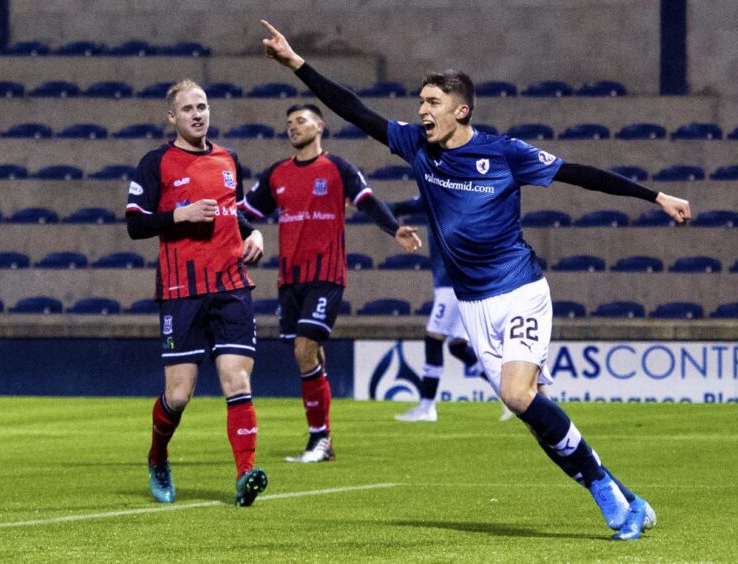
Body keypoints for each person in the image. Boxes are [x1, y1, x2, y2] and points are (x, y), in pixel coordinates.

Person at [260, 20, 693, 540]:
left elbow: (579, 172)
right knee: (534, 415)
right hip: (473, 305)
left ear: (460, 110)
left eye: (433, 102)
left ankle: (606, 496)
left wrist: (655, 197)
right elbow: (355, 110)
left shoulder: (505, 153)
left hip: (521, 290)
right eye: (420, 102)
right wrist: (297, 64)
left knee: (517, 395)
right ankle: (624, 494)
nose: (422, 111)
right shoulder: (417, 148)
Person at [242, 103, 421, 463]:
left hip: (326, 274)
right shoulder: (277, 175)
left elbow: (367, 202)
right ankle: (324, 441)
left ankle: (318, 438)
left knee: (304, 350)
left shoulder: (338, 169)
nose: (293, 127)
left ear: (320, 125)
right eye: (289, 122)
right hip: (289, 278)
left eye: (301, 121)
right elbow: (241, 213)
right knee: (309, 355)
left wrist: (394, 228)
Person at [126, 79, 268, 507]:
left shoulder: (229, 159)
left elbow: (232, 213)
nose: (197, 114)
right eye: (187, 109)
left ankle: (245, 473)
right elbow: (135, 224)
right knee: (179, 395)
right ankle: (157, 457)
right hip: (181, 290)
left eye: (202, 106)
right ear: (172, 117)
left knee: (237, 380)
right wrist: (179, 214)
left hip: (231, 286)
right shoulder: (156, 163)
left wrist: (254, 233)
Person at [388, 195, 514, 423]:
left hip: (453, 283)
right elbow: (400, 206)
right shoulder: (437, 193)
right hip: (455, 282)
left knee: (433, 339)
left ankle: (427, 407)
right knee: (457, 346)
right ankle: (509, 394)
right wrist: (363, 205)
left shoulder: (454, 196)